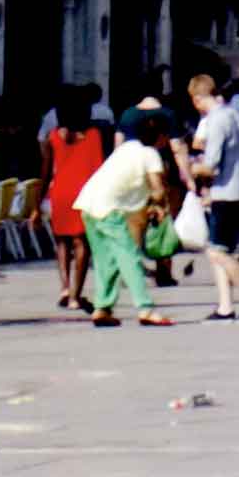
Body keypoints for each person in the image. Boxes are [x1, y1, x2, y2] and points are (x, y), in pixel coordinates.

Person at [71, 114, 167, 327]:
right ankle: (145, 308)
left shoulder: (128, 147)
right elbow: (158, 189)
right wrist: (159, 204)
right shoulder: (150, 153)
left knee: (107, 260)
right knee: (129, 257)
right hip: (109, 209)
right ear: (160, 136)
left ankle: (102, 308)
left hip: (88, 204)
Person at [183, 71, 239, 323]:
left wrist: (189, 167)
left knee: (217, 253)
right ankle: (225, 306)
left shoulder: (217, 120)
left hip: (225, 191)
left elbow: (211, 164)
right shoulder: (236, 115)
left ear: (198, 98)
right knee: (220, 248)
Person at [44, 101, 117, 311]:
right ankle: (76, 295)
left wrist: (36, 202)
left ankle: (65, 287)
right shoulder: (95, 134)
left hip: (60, 192)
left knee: (61, 241)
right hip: (86, 193)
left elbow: (46, 170)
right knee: (81, 242)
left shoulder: (54, 136)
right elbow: (104, 164)